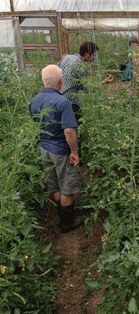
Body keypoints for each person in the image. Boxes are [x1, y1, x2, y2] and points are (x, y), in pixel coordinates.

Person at [29, 64, 83, 233]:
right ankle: (67, 223)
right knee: (66, 186)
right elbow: (69, 130)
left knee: (55, 186)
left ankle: (61, 216)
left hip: (44, 149)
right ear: (61, 81)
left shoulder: (35, 100)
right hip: (61, 150)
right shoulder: (62, 101)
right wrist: (74, 152)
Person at [58, 41, 113, 122]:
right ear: (87, 53)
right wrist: (104, 82)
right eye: (94, 55)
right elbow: (89, 88)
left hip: (57, 98)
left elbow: (56, 70)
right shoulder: (81, 67)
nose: (94, 58)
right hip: (70, 103)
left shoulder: (68, 58)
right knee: (74, 126)